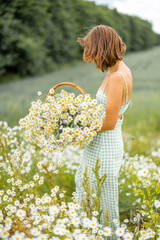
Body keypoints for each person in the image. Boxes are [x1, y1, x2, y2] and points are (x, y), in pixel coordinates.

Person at [75, 25, 133, 239]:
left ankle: (106, 236)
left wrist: (79, 128)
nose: (93, 59)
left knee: (104, 199)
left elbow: (109, 122)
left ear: (102, 49)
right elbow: (110, 113)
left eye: (93, 51)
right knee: (87, 187)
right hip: (101, 143)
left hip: (106, 146)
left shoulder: (118, 77)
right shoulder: (116, 70)